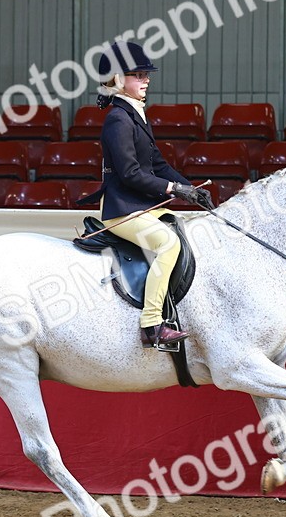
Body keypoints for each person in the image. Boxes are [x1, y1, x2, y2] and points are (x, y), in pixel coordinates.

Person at [82, 41, 209, 348]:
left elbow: (157, 164)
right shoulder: (118, 119)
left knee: (184, 231)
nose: (146, 80)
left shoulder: (135, 114)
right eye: (138, 75)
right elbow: (129, 173)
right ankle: (151, 324)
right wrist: (173, 189)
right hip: (123, 209)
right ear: (117, 79)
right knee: (167, 244)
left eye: (145, 74)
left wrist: (191, 190)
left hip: (142, 205)